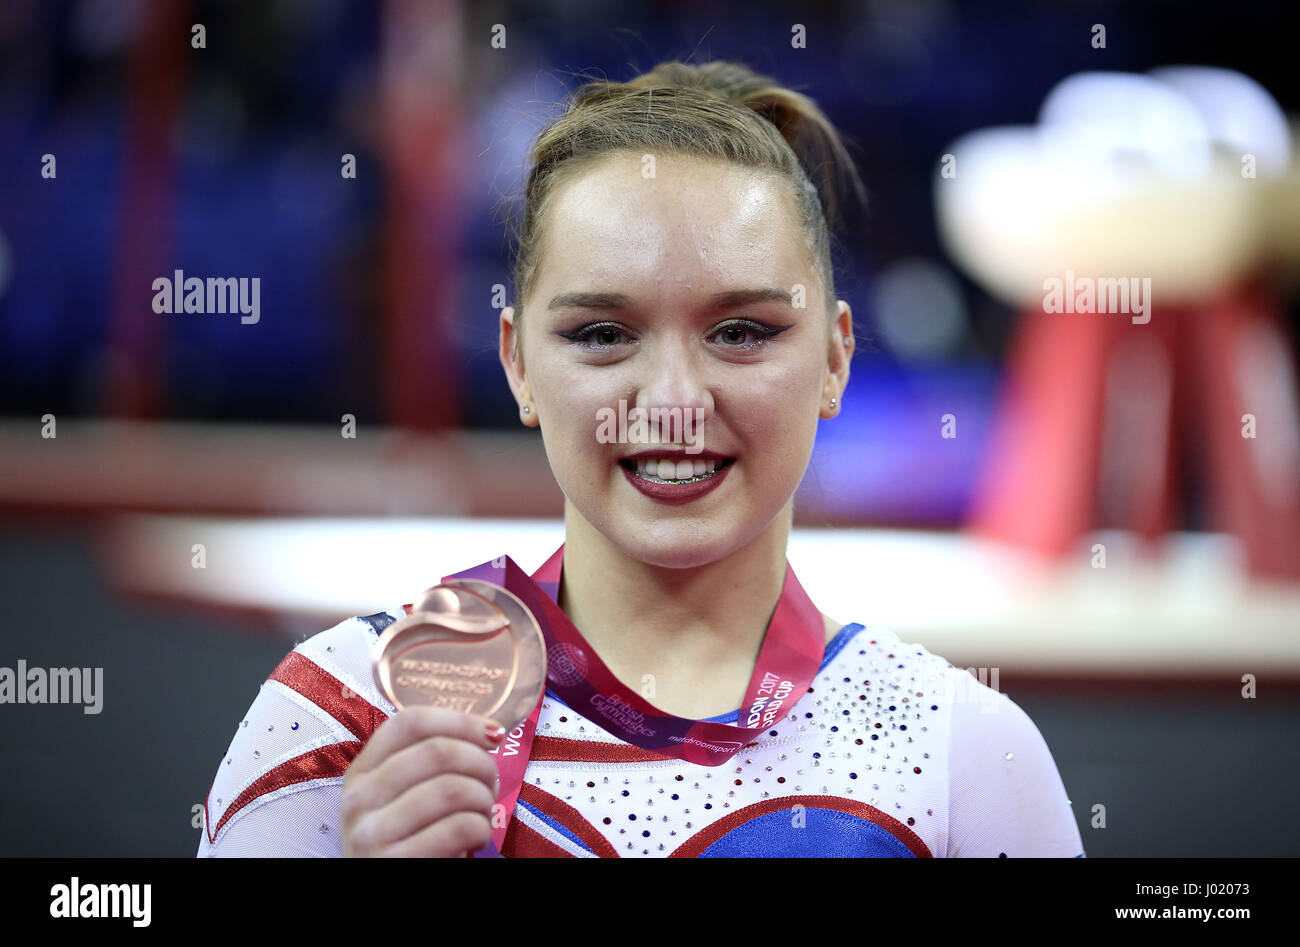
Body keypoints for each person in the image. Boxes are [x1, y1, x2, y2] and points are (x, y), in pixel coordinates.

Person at [197, 60, 1084, 858]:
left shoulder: (960, 751)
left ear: (835, 358)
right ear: (517, 364)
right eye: (603, 334)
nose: (672, 403)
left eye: (741, 332)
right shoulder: (342, 716)